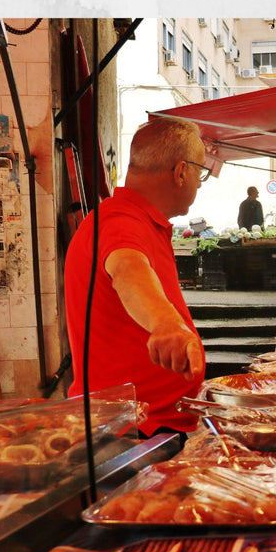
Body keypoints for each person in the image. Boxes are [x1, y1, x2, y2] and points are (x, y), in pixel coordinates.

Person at [63, 116, 208, 435]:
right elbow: (128, 269)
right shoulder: (119, 220)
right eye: (201, 172)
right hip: (131, 432)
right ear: (181, 171)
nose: (200, 182)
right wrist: (166, 323)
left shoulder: (142, 221)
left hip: (153, 422)